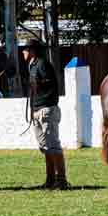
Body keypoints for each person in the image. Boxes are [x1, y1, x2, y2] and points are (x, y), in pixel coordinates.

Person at [23, 38, 68, 190]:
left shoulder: (42, 64)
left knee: (53, 146)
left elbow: (49, 83)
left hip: (46, 109)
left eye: (26, 49)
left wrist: (38, 84)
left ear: (32, 51)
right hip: (37, 109)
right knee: (45, 147)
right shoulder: (33, 65)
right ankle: (50, 179)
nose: (24, 52)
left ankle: (61, 180)